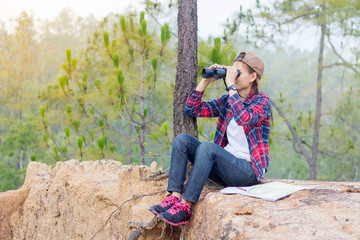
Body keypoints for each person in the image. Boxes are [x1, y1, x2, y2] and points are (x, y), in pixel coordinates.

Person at [149, 52, 271, 226]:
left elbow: (243, 117)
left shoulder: (262, 102)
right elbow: (192, 109)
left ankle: (186, 206)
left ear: (253, 77)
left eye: (239, 73)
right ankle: (174, 197)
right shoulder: (228, 101)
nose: (233, 76)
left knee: (208, 148)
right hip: (224, 167)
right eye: (232, 71)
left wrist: (231, 87)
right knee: (182, 140)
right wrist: (206, 80)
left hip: (247, 171)